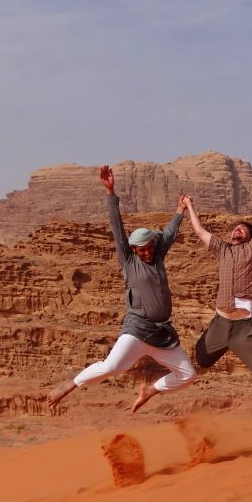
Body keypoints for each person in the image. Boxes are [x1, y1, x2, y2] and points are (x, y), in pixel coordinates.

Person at [47, 165, 197, 413]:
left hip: (162, 334)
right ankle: (71, 384)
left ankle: (152, 389)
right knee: (111, 367)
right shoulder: (129, 262)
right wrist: (110, 193)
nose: (147, 252)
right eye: (142, 249)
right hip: (137, 330)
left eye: (150, 247)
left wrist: (180, 210)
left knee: (188, 375)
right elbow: (117, 229)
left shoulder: (158, 256)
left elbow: (169, 234)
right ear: (134, 250)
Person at [183, 176, 252, 377]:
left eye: (243, 228)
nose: (237, 229)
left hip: (244, 326)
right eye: (235, 228)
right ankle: (222, 340)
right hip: (221, 322)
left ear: (250, 236)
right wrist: (189, 205)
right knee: (202, 359)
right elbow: (199, 230)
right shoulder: (222, 249)